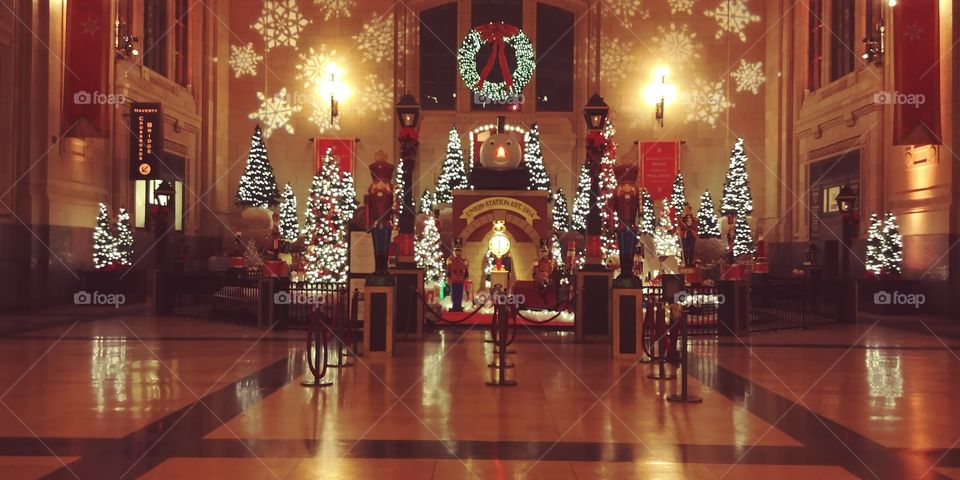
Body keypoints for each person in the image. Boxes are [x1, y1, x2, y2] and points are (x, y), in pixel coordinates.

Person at [446, 241, 468, 312]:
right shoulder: (451, 260)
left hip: (461, 279)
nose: (458, 253)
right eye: (456, 251)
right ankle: (455, 306)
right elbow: (448, 270)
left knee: (459, 293)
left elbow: (466, 269)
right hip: (454, 279)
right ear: (454, 252)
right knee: (454, 293)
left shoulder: (464, 260)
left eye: (459, 251)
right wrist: (448, 277)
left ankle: (458, 306)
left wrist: (466, 276)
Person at [677, 203, 698, 267]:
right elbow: (681, 226)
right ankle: (686, 262)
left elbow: (695, 227)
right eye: (686, 210)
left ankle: (691, 262)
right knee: (685, 249)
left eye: (688, 209)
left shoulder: (694, 219)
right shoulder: (682, 219)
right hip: (684, 235)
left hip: (691, 235)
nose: (687, 211)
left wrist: (694, 231)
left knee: (691, 249)